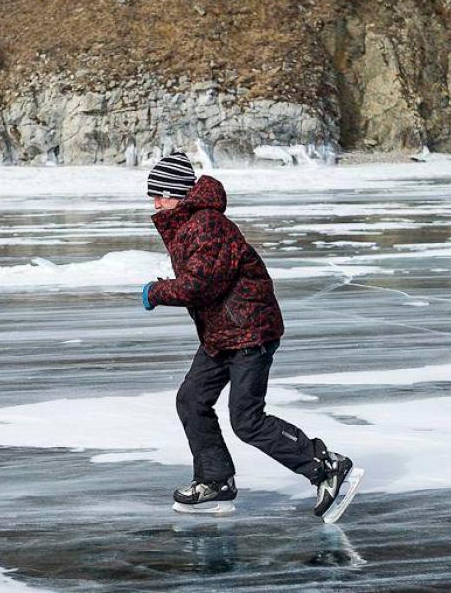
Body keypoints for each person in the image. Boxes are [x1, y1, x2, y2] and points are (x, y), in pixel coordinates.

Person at [141, 151, 356, 519]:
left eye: (160, 194)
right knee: (191, 400)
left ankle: (324, 465)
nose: (156, 203)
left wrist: (156, 292)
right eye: (153, 196)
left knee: (247, 419)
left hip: (249, 332)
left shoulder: (207, 224)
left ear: (177, 193)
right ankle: (215, 481)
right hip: (222, 334)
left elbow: (200, 286)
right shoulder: (186, 226)